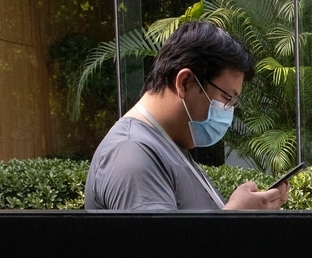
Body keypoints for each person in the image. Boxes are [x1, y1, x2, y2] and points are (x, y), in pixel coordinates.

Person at [85, 22, 289, 211]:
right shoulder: (132, 154)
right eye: (226, 98)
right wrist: (234, 218)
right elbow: (159, 249)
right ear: (184, 82)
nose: (228, 110)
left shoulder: (169, 145)